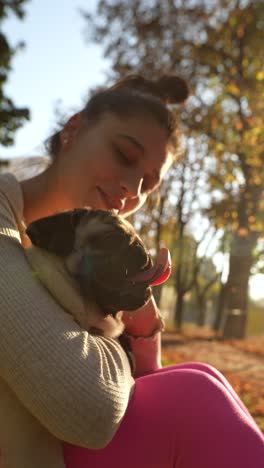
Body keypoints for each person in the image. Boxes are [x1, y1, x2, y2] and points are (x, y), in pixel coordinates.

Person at [0, 74, 263, 468]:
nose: (133, 191)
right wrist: (122, 327)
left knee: (201, 373)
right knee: (194, 398)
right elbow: (89, 410)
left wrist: (140, 328)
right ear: (73, 130)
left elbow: (140, 377)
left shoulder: (68, 257)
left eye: (149, 184)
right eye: (124, 155)